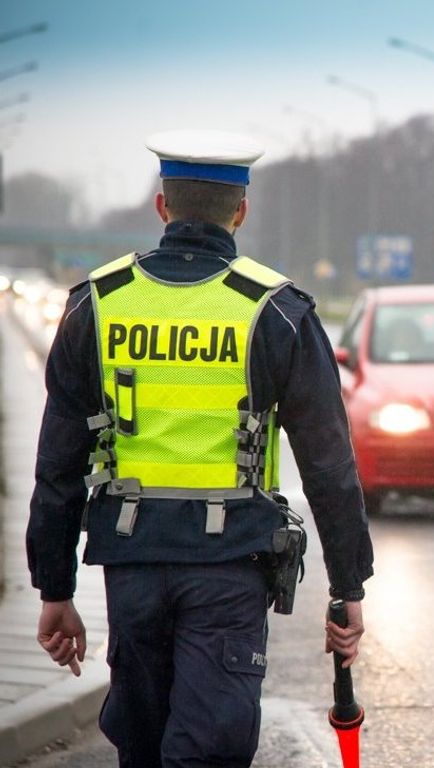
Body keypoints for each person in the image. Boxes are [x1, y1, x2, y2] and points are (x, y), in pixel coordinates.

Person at [26, 129, 374, 766]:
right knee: (208, 747)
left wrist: (55, 589)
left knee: (146, 745)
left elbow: (57, 466)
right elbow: (330, 466)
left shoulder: (98, 303)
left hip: (130, 564)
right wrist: (347, 585)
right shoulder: (276, 311)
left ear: (162, 206)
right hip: (229, 567)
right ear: (240, 212)